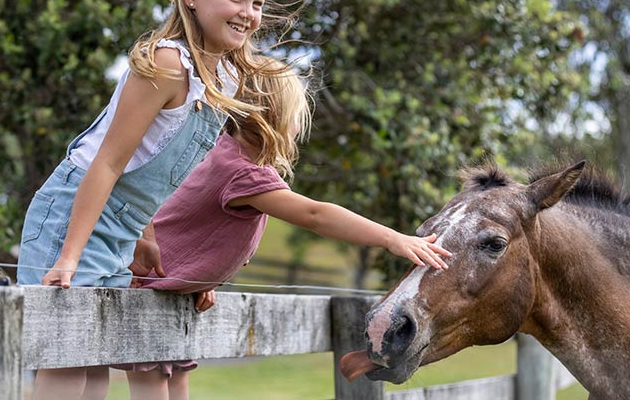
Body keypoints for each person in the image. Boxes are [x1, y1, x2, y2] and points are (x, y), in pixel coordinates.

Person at [15, 0, 291, 400]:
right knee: (66, 362)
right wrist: (69, 257)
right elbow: (107, 163)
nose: (248, 12)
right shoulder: (166, 64)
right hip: (74, 216)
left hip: (118, 231)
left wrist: (144, 236)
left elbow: (157, 173)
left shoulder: (222, 79)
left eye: (257, 2)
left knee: (94, 361)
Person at [118, 61, 452, 400]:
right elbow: (315, 215)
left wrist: (198, 278)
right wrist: (393, 238)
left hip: (166, 290)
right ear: (270, 116)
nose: (297, 127)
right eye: (296, 116)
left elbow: (190, 220)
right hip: (147, 289)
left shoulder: (221, 155)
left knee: (174, 382)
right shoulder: (242, 172)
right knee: (155, 386)